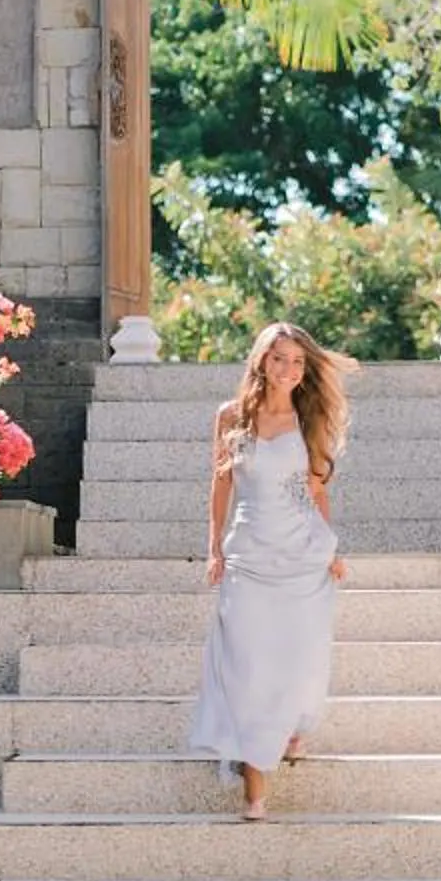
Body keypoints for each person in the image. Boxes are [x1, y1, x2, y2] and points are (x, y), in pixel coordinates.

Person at [187, 319, 350, 819]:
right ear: (261, 360)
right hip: (249, 555)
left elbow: (316, 490)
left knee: (300, 652)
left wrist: (330, 548)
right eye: (279, 358)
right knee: (248, 663)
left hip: (301, 552)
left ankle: (288, 728)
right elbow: (220, 486)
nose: (289, 369)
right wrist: (214, 548)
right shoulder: (230, 417)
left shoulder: (310, 419)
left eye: (298, 361)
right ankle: (255, 787)